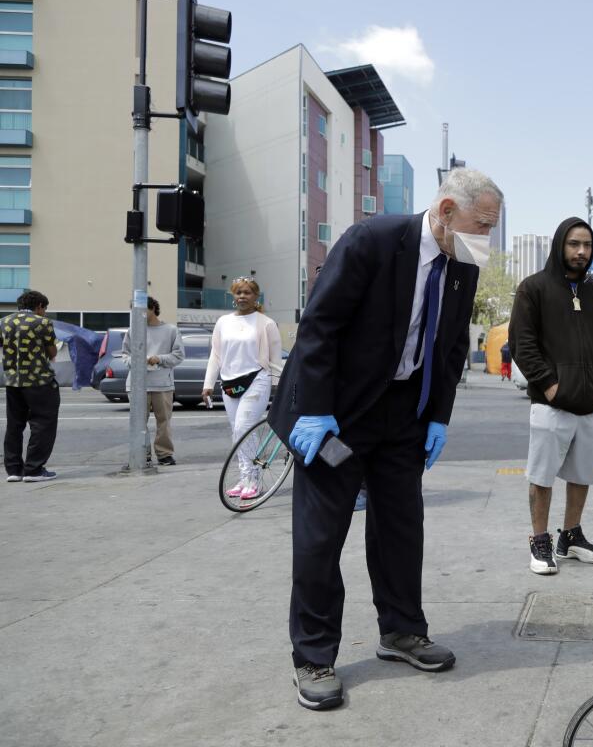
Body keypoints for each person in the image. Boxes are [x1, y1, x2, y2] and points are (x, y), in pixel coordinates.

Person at [269, 168, 501, 710]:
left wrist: (438, 415)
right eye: (480, 224)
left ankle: (401, 631)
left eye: (492, 227)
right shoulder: (373, 241)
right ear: (446, 211)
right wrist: (317, 409)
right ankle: (314, 655)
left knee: (402, 527)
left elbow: (449, 348)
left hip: (404, 416)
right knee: (321, 537)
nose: (485, 237)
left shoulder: (463, 265)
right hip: (338, 414)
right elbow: (319, 328)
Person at [509, 217, 593, 576]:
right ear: (560, 245)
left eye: (586, 245)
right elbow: (523, 346)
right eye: (574, 244)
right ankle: (540, 540)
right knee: (542, 475)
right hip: (551, 404)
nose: (581, 251)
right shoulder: (534, 288)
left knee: (582, 473)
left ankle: (570, 536)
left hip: (592, 403)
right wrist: (551, 385)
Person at [202, 278, 283, 499]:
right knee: (237, 431)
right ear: (233, 296)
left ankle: (254, 479)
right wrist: (208, 384)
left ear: (256, 296)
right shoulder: (223, 322)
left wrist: (278, 389)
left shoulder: (266, 323)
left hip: (257, 379)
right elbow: (216, 355)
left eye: (247, 293)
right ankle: (244, 477)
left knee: (243, 428)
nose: (242, 297)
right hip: (228, 382)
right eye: (238, 293)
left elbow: (275, 358)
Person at [117, 297, 184, 466]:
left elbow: (178, 355)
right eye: (134, 311)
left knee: (164, 421)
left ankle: (164, 454)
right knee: (138, 422)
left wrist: (158, 359)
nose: (138, 314)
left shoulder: (171, 330)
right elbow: (125, 355)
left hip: (163, 383)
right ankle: (142, 454)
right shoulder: (133, 331)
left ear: (153, 308)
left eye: (141, 310)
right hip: (137, 383)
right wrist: (137, 360)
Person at [2, 290, 59, 482]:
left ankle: (14, 470)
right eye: (44, 309)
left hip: (12, 382)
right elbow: (52, 352)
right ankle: (34, 469)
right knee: (43, 424)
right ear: (40, 306)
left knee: (14, 424)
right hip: (39, 381)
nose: (44, 312)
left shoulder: (4, 322)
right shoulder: (42, 322)